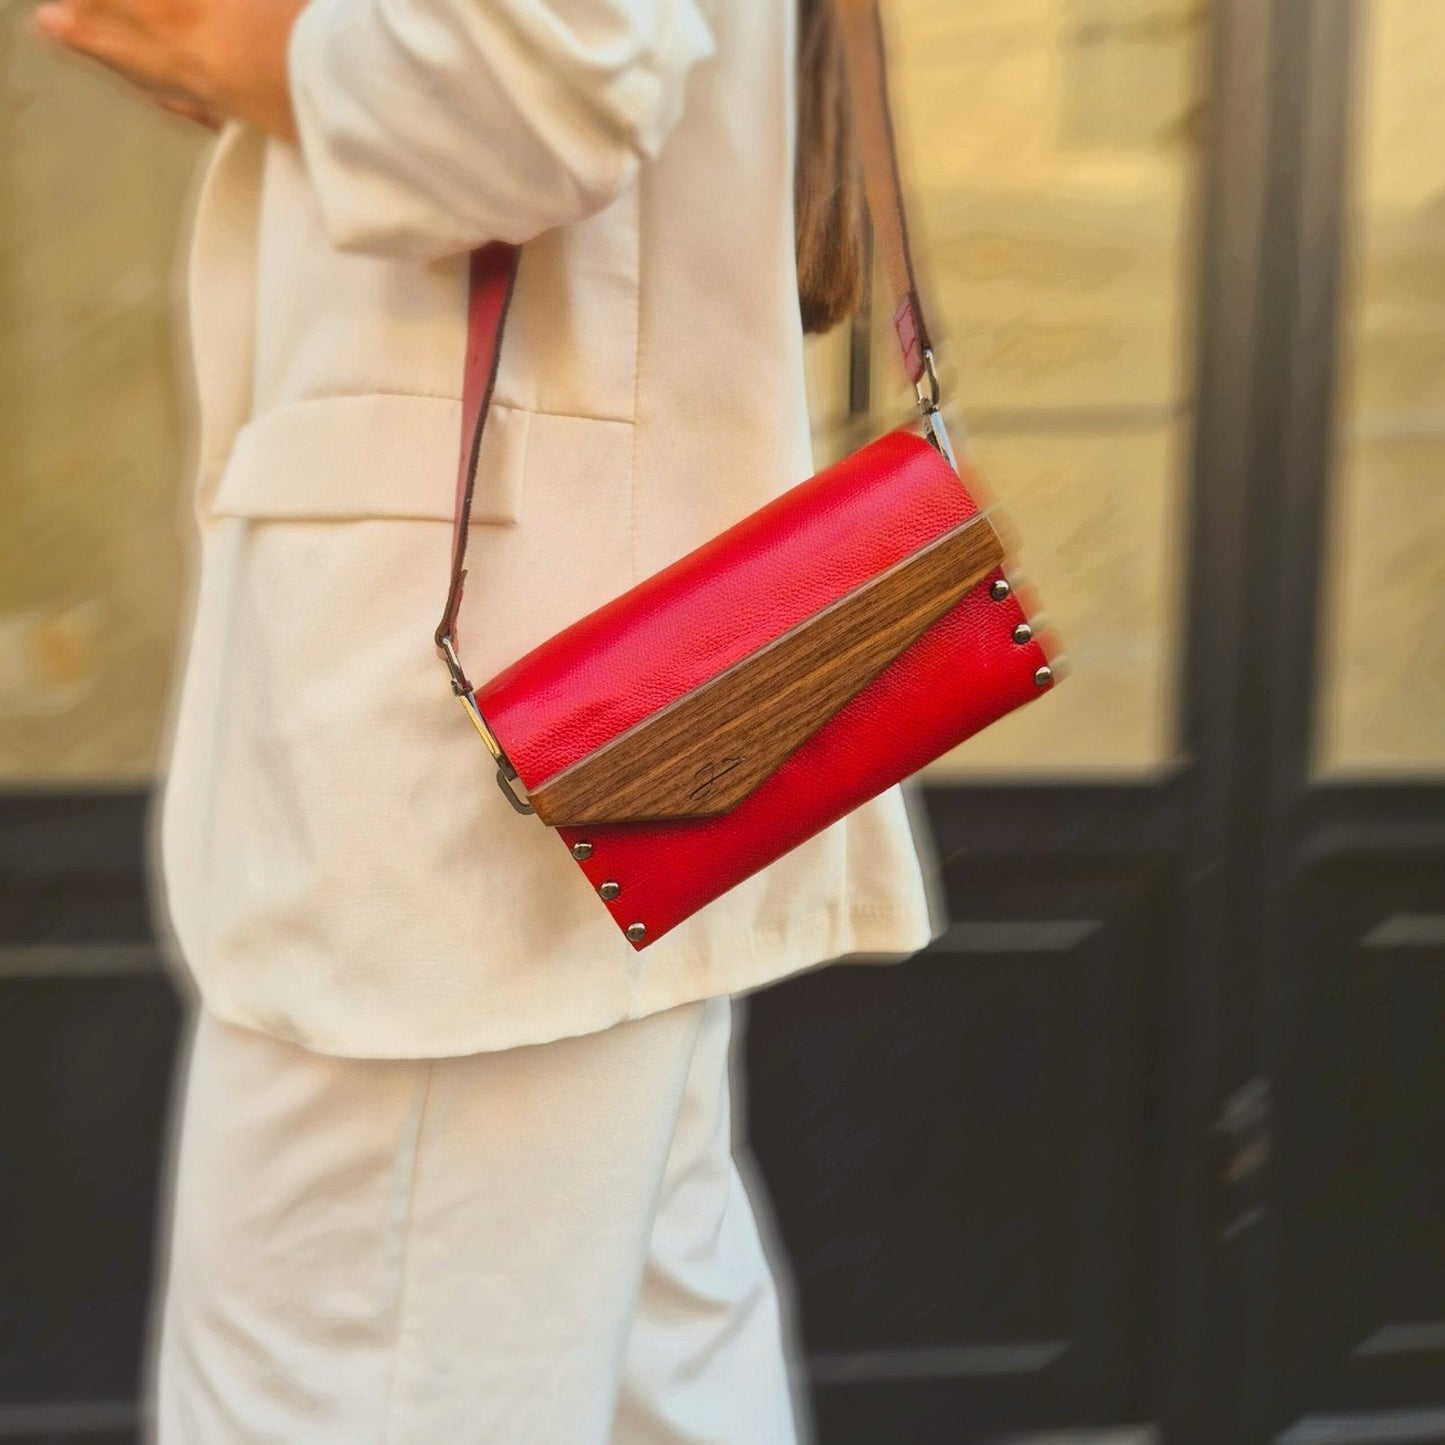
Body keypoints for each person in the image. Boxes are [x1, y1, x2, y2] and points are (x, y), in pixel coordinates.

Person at [32, 0, 947, 1437]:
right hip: (598, 714)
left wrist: (233, 44)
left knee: (350, 1384)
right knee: (663, 1385)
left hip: (483, 764)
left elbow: (550, 68)